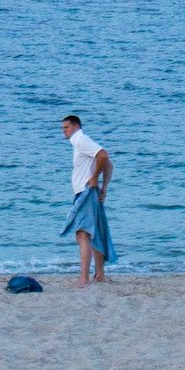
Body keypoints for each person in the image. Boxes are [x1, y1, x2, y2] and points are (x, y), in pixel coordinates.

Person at [59, 114, 116, 286]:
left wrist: (94, 178)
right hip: (90, 191)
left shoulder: (81, 140)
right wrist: (103, 187)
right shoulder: (79, 143)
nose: (64, 132)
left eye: (66, 128)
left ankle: (83, 279)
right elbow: (108, 164)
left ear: (75, 126)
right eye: (63, 129)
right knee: (96, 232)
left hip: (86, 191)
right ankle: (99, 275)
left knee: (82, 234)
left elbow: (104, 156)